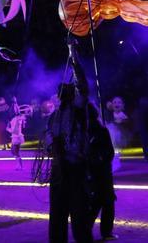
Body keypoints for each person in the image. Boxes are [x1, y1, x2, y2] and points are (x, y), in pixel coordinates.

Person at [46, 47, 92, 242]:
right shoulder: (53, 116)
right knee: (57, 212)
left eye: (65, 91)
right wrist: (52, 146)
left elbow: (82, 85)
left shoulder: (78, 109)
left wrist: (73, 56)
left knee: (79, 211)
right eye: (60, 92)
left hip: (75, 167)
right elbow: (48, 139)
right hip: (58, 169)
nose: (61, 94)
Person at [84, 102, 117, 241]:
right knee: (104, 201)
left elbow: (109, 152)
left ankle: (90, 230)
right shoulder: (97, 130)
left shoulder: (95, 130)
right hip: (98, 171)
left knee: (100, 201)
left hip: (95, 170)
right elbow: (109, 152)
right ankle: (102, 231)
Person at [135, 96, 148, 162]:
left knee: (145, 143)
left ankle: (146, 157)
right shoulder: (147, 110)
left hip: (142, 129)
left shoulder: (139, 110)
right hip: (147, 129)